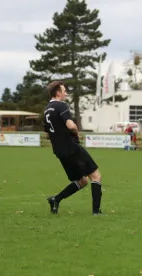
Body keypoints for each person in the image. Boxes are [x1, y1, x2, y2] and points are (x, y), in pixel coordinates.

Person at [43, 81, 103, 215]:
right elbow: (71, 125)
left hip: (60, 152)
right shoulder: (61, 105)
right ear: (58, 93)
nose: (66, 93)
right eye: (64, 91)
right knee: (96, 176)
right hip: (71, 147)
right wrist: (76, 132)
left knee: (82, 180)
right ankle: (96, 212)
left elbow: (47, 134)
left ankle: (55, 199)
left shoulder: (46, 109)